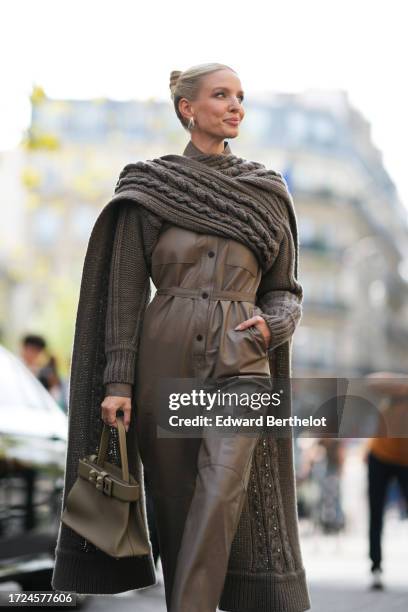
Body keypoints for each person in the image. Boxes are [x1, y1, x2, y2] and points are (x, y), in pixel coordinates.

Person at [51, 63, 311, 612]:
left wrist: (274, 324)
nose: (236, 105)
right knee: (174, 507)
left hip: (243, 359)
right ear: (187, 108)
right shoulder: (151, 187)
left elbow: (285, 288)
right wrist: (117, 382)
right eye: (222, 95)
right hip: (161, 362)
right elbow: (123, 294)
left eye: (241, 96)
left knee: (221, 493)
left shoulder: (266, 192)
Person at [363, 371, 408, 590]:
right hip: (379, 456)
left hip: (405, 461)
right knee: (376, 512)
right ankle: (376, 566)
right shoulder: (397, 389)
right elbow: (373, 381)